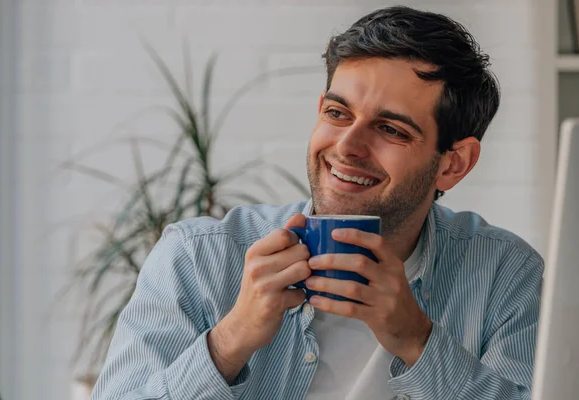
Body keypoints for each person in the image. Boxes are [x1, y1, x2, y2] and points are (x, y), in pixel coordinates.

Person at [91, 6, 543, 400]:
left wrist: (416, 339)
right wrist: (232, 339)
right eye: (337, 113)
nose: (347, 146)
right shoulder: (197, 256)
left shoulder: (505, 275)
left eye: (391, 129)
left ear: (453, 164)